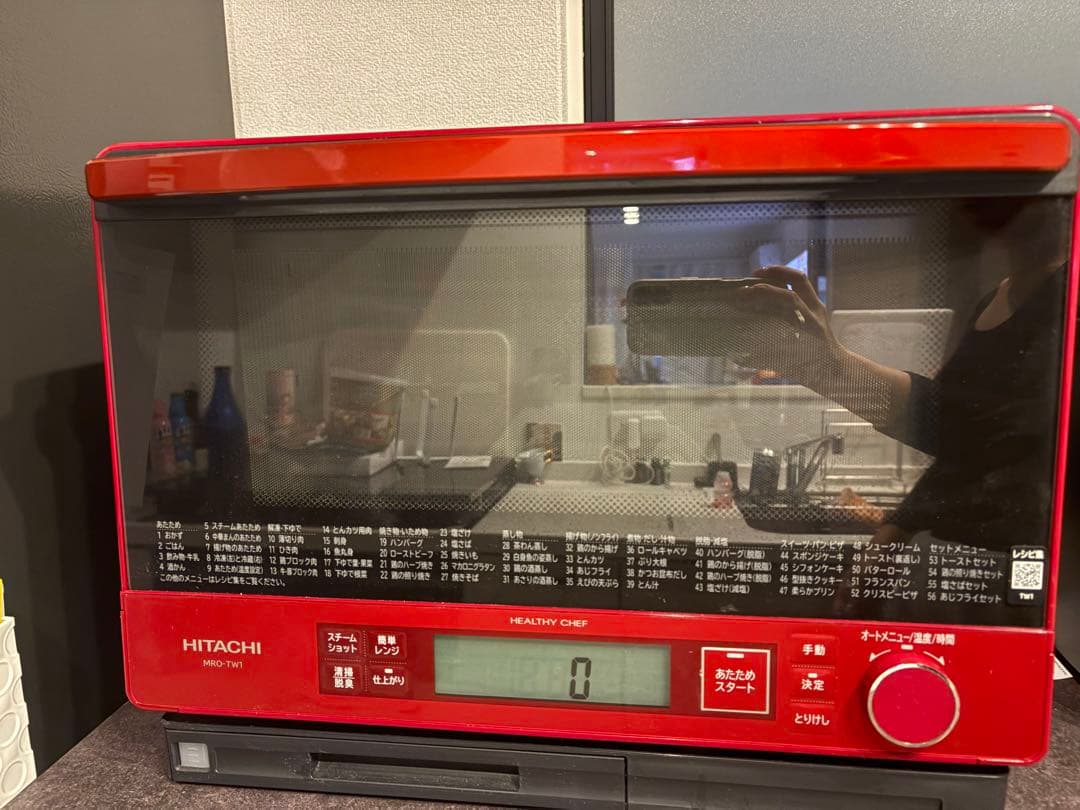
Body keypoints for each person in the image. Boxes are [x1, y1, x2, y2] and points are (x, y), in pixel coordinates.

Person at [736, 196, 1070, 554]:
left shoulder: (1067, 296)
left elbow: (978, 431)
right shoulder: (994, 298)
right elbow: (955, 439)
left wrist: (829, 366)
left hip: (1026, 556)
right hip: (966, 553)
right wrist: (893, 532)